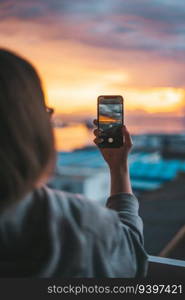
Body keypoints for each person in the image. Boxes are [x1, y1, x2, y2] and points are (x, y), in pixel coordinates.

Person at [0, 48, 148, 278]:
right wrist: (118, 167)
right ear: (31, 127)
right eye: (44, 113)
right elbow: (131, 257)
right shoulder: (77, 223)